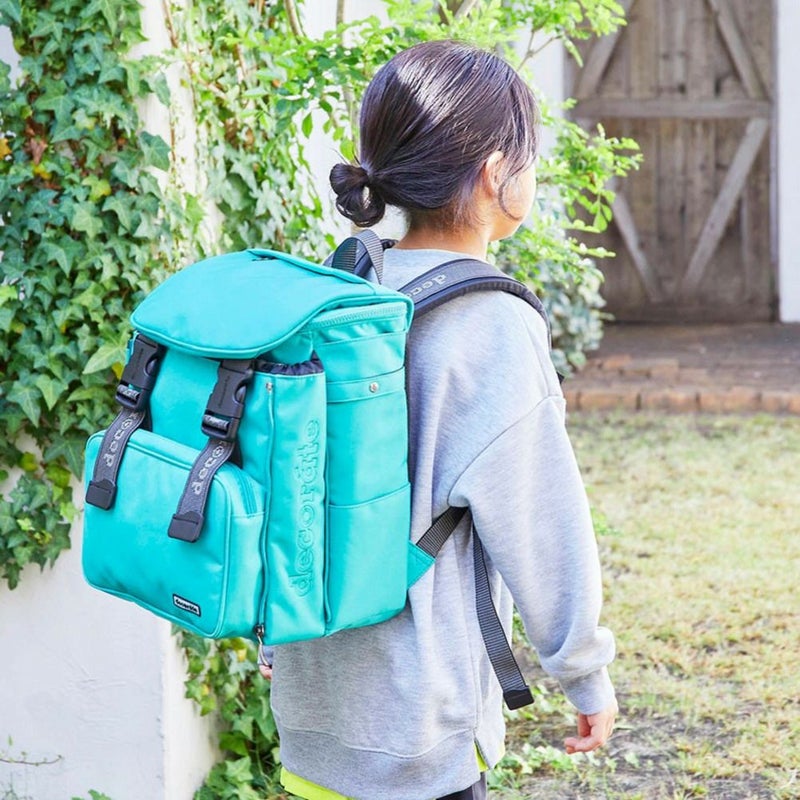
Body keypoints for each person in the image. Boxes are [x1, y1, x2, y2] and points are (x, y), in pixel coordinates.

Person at [260, 39, 617, 800]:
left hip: (310, 706)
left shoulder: (344, 289)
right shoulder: (492, 323)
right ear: (495, 173)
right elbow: (541, 521)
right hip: (419, 731)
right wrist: (585, 673)